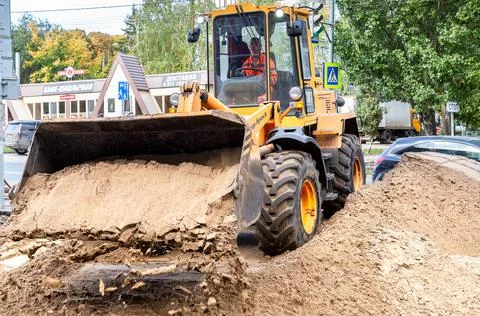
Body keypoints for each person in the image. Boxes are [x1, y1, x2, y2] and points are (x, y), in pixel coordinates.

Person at [242, 37, 278, 101]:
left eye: (257, 44)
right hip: (250, 89)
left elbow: (274, 78)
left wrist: (266, 79)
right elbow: (242, 78)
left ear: (260, 46)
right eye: (252, 44)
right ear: (249, 47)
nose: (255, 47)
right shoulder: (246, 63)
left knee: (269, 86)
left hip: (263, 88)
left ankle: (265, 97)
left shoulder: (268, 61)